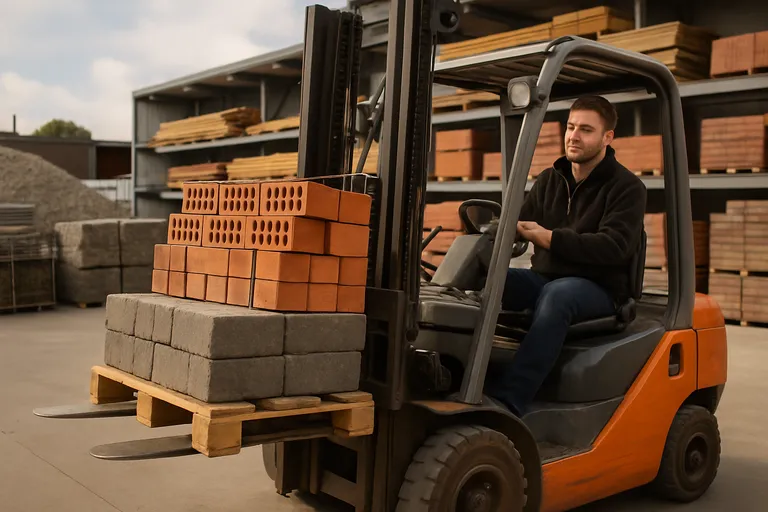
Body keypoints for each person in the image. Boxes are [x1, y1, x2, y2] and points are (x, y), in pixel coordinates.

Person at [487, 95, 647, 417]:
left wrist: (550, 239)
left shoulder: (627, 187)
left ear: (607, 137)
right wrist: (496, 230)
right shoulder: (550, 179)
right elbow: (519, 220)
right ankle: (468, 378)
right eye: (571, 127)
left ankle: (509, 401)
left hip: (600, 289)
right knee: (485, 280)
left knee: (558, 295)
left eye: (585, 130)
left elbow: (614, 247)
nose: (574, 136)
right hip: (545, 280)